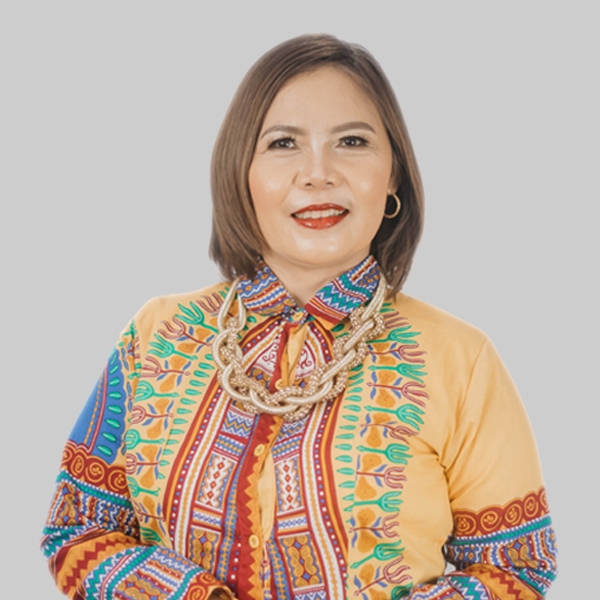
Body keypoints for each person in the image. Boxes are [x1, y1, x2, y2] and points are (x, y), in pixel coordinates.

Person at [41, 34, 557, 600]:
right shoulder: (156, 333)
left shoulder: (461, 358)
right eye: (283, 143)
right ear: (241, 172)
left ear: (393, 177)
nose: (318, 173)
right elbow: (77, 527)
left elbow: (518, 566)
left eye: (352, 141)